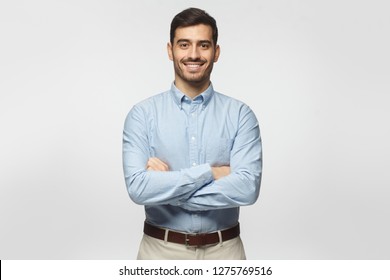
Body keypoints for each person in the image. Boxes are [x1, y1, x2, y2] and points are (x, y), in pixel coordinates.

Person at [122, 7, 262, 260]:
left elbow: (247, 189)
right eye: (184, 44)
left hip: (225, 252)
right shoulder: (142, 115)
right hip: (159, 253)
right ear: (170, 50)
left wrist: (169, 189)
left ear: (216, 52)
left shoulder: (241, 115)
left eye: (203, 45)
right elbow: (139, 189)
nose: (194, 54)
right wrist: (212, 173)